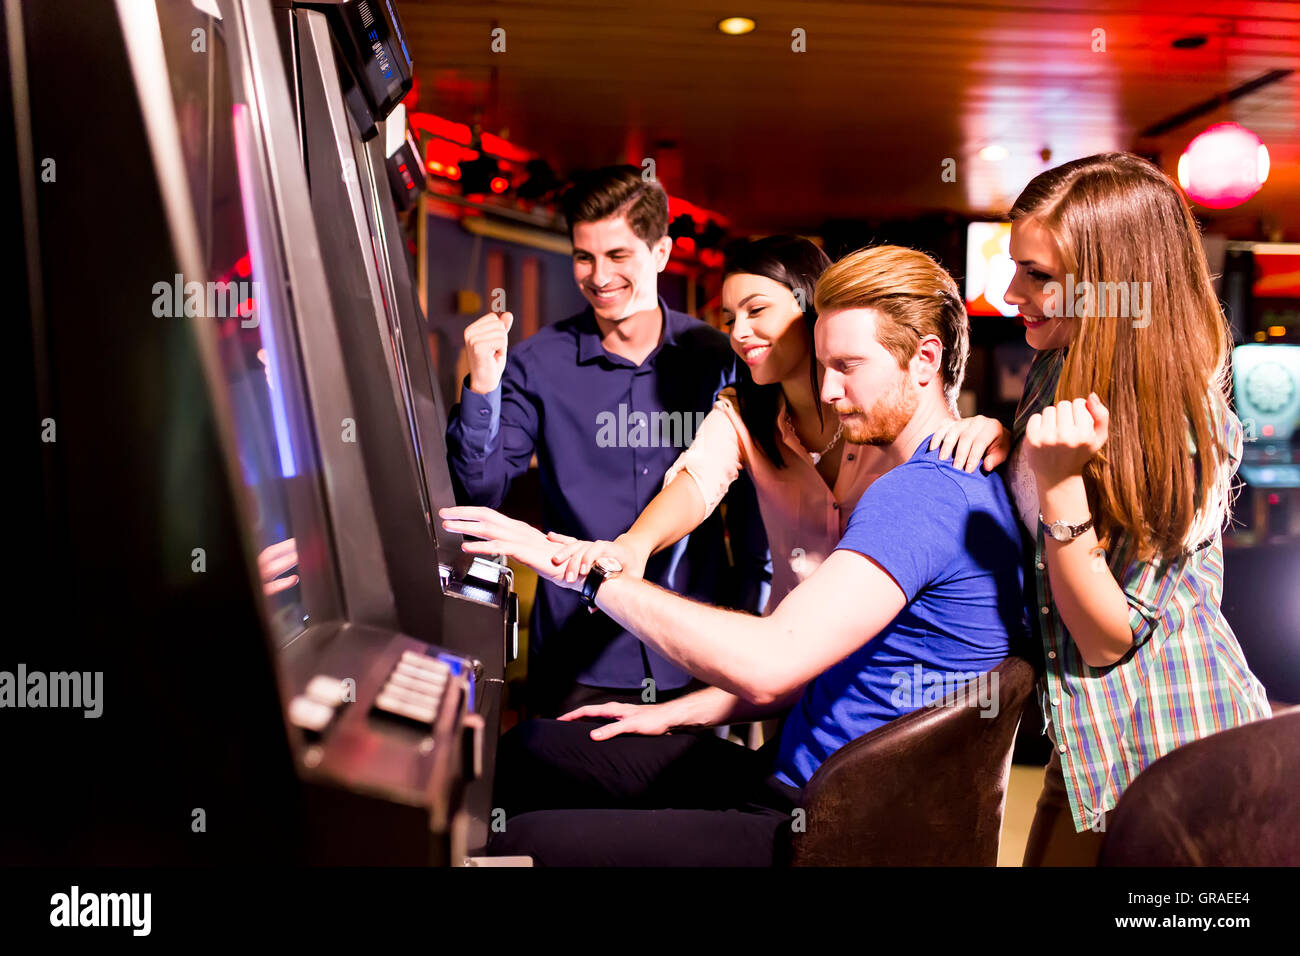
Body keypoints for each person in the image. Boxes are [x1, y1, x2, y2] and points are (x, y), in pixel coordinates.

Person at [441, 245, 1029, 866]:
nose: (828, 391)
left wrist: (581, 570)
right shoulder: (920, 477)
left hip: (816, 821)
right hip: (787, 774)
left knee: (518, 845)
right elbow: (814, 656)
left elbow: (771, 663)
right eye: (824, 366)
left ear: (926, 360)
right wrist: (675, 711)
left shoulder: (919, 495)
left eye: (848, 366)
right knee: (535, 747)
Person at [927, 152, 1272, 865]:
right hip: (1090, 743)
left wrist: (1058, 487)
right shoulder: (1058, 365)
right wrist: (1001, 435)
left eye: (1039, 276)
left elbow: (1107, 636)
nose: (1009, 289)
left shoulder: (1182, 427)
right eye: (1015, 265)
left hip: (1177, 759)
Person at [444, 166, 769, 717]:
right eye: (584, 256)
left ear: (662, 252)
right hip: (576, 653)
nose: (599, 276)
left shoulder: (718, 357)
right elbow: (481, 490)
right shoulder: (534, 363)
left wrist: (749, 637)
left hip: (695, 649)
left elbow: (753, 514)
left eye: (618, 256)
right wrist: (482, 384)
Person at [542, 235, 889, 741]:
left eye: (757, 310)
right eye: (730, 319)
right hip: (792, 674)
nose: (740, 333)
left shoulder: (874, 398)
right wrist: (634, 545)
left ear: (811, 304)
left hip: (886, 669)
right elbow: (697, 479)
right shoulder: (742, 412)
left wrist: (986, 430)